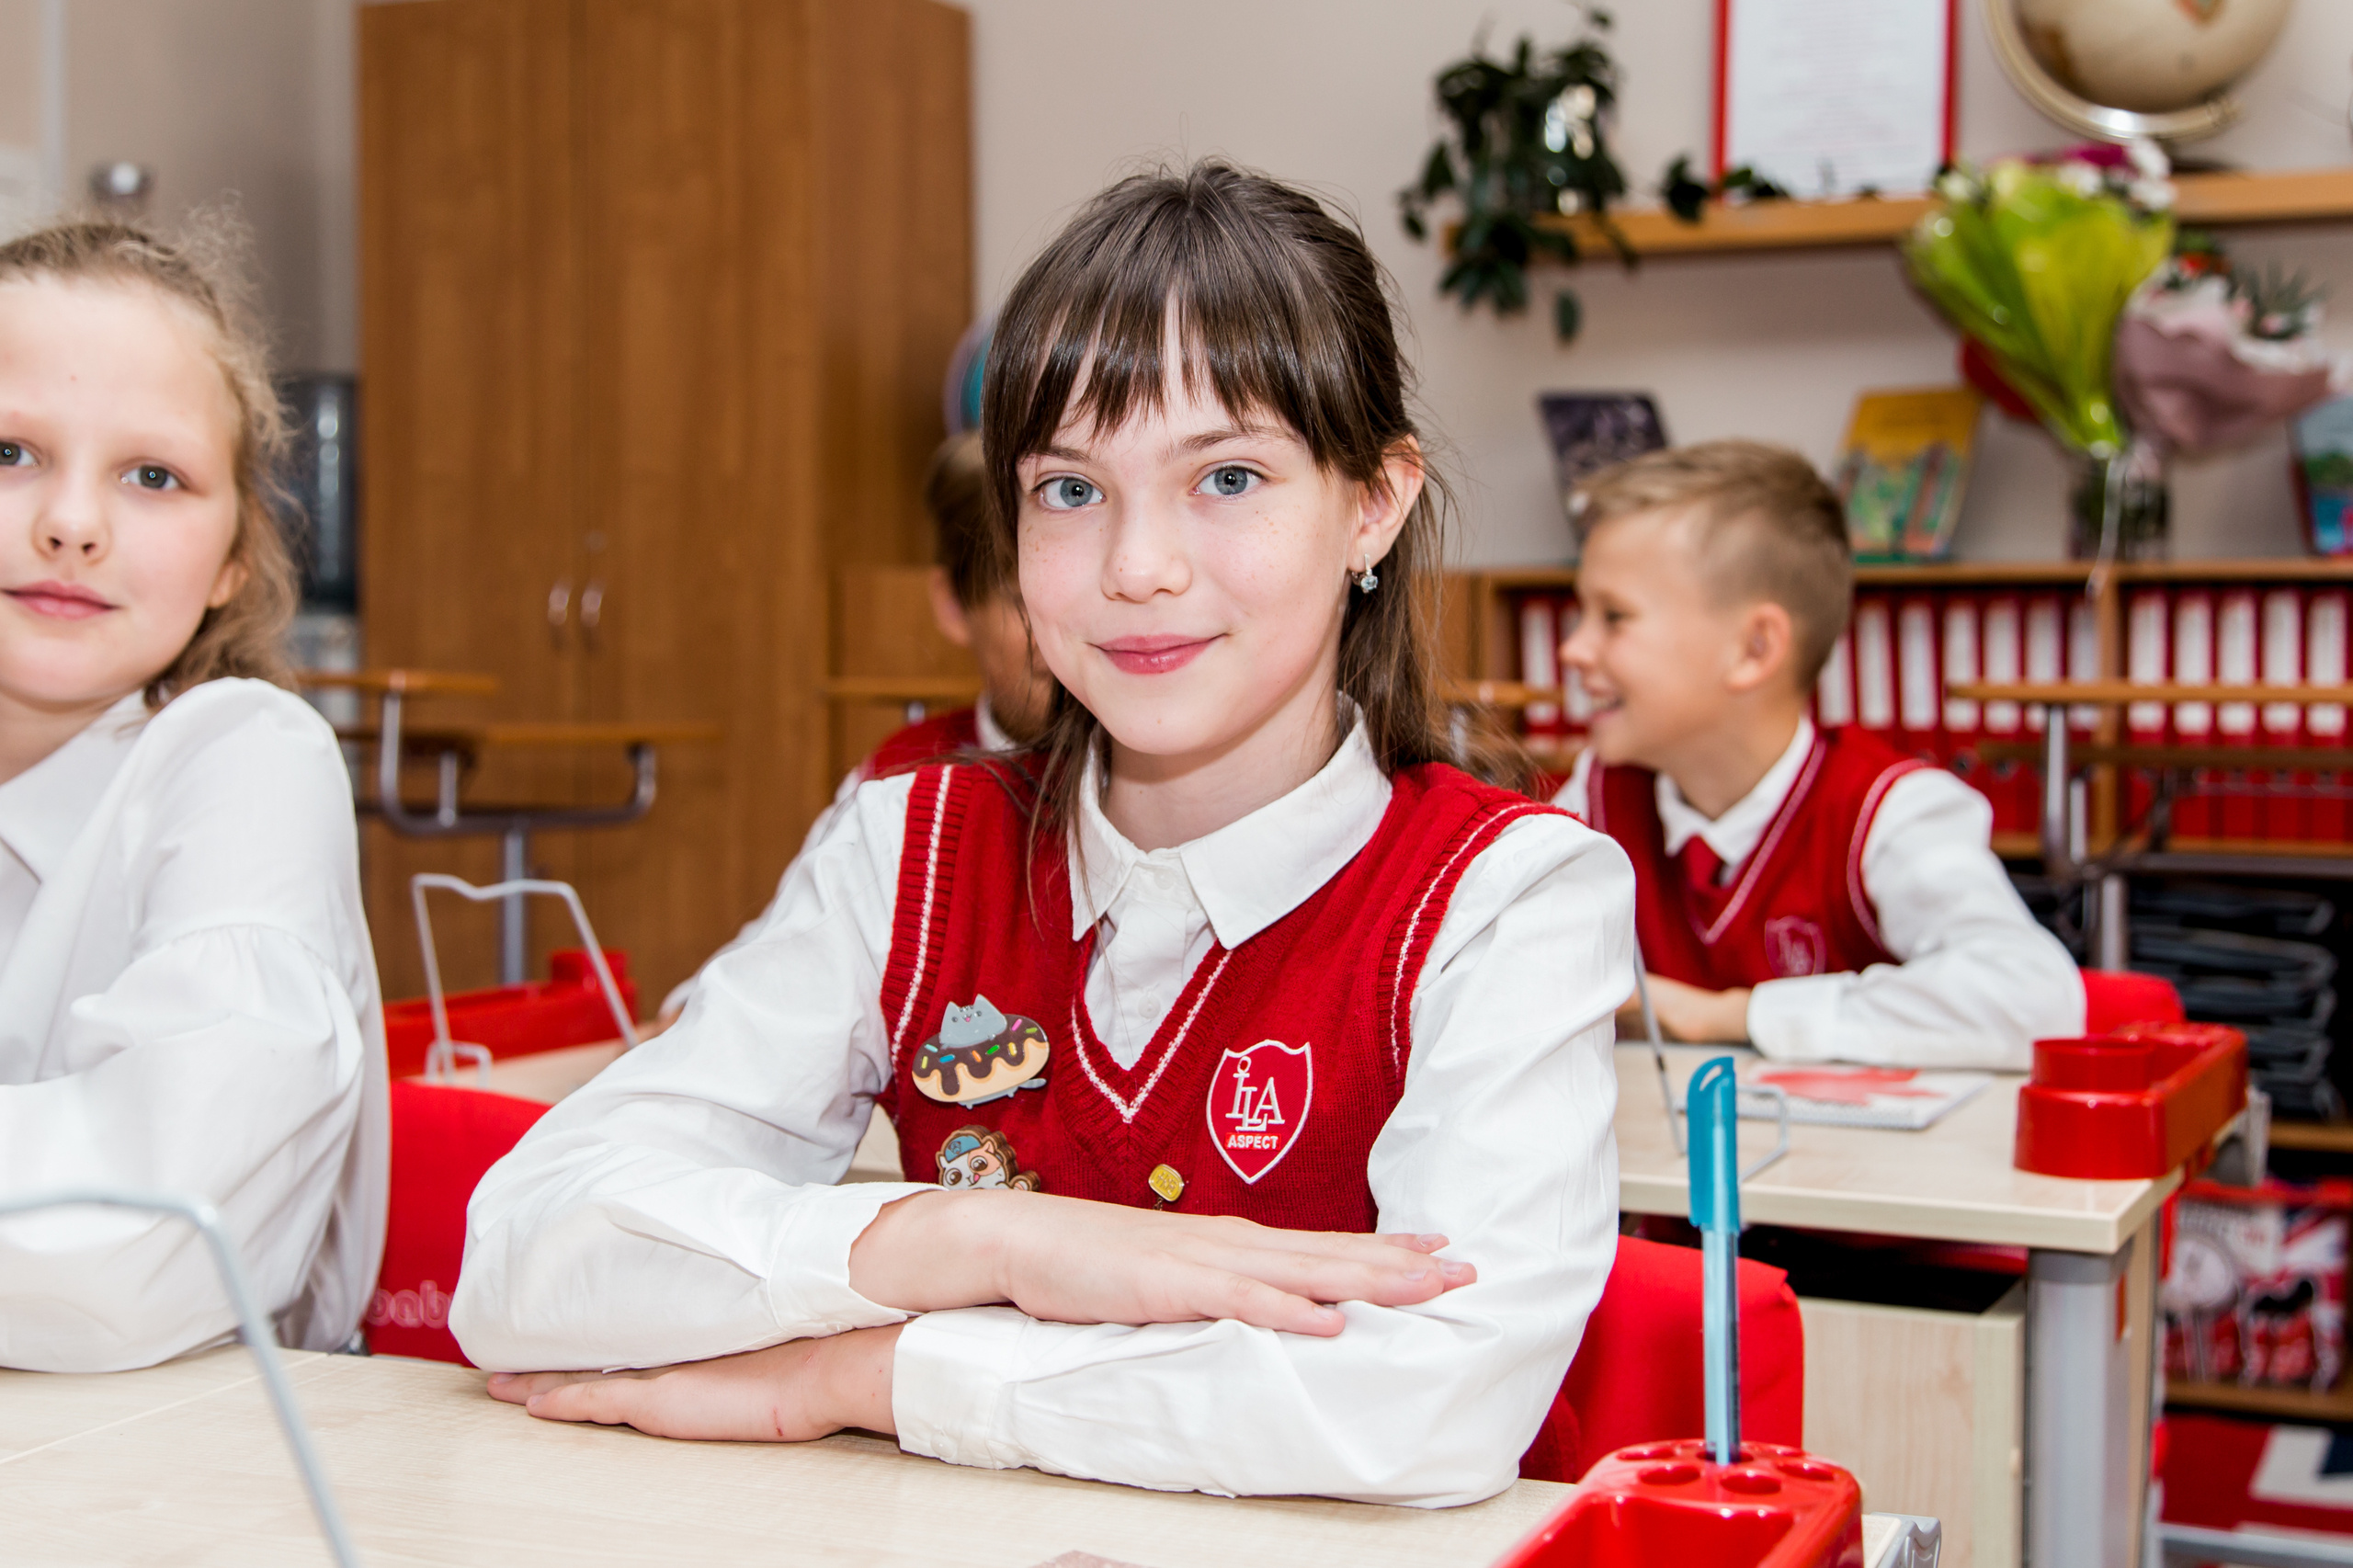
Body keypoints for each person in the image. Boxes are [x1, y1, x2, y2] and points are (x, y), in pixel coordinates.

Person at [453, 163, 1629, 1507]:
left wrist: (862, 1374)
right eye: (1070, 491)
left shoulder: (1508, 894)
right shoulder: (909, 844)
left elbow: (1425, 1409)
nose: (1139, 565)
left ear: (1373, 500)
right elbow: (520, 1261)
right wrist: (985, 1239)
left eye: (1228, 476)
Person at [0, 220, 387, 1371]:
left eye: (153, 475)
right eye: (7, 452)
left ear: (232, 559)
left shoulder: (246, 759)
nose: (72, 522)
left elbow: (150, 1239)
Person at [1555, 440, 2082, 1069]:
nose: (1573, 650)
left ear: (1754, 648)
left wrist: (1725, 1015)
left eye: (1614, 617)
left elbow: (2035, 1002)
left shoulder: (1886, 810)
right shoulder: (1594, 799)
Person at [652, 430, 1052, 1029]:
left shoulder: (1172, 768)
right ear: (951, 607)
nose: (1063, 629)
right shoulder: (901, 782)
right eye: (1022, 602)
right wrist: (687, 1021)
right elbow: (779, 951)